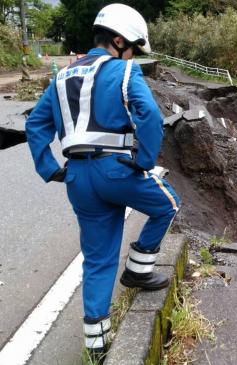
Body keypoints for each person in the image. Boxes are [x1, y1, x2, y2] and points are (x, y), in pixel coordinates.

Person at [25, 3, 181, 357]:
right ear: (118, 40)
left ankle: (96, 349)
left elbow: (36, 125)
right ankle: (139, 269)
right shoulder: (124, 74)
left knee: (97, 258)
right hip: (117, 170)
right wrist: (143, 161)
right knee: (168, 203)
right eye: (132, 49)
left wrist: (50, 169)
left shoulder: (61, 78)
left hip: (78, 177)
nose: (132, 56)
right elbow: (150, 117)